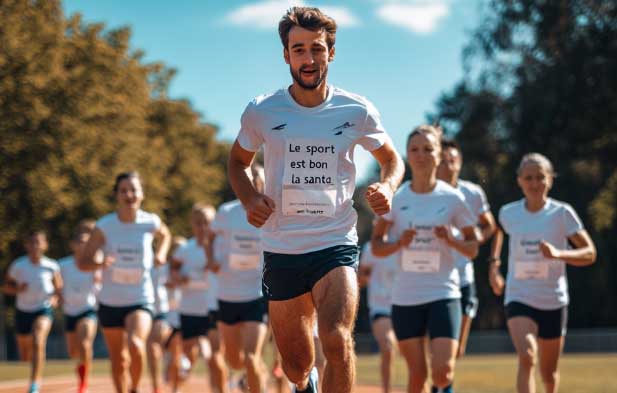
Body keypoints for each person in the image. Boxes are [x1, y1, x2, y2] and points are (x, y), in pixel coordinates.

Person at [227, 6, 404, 392]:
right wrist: (249, 198)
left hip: (335, 241)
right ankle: (302, 384)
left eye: (317, 49)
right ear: (286, 55)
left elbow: (391, 159)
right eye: (299, 49)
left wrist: (387, 187)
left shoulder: (356, 109)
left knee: (337, 340)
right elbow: (238, 162)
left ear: (332, 52)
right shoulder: (262, 110)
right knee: (295, 363)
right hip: (283, 247)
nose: (309, 59)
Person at [372, 125, 479, 393]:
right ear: (407, 155)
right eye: (414, 149)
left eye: (428, 149)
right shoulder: (397, 198)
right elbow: (376, 246)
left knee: (443, 374)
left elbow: (473, 246)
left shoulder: (452, 198)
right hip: (406, 296)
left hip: (444, 292)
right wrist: (399, 243)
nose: (421, 155)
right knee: (417, 376)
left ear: (440, 154)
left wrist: (451, 240)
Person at [488, 153, 596, 393]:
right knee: (527, 357)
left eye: (540, 177)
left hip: (553, 300)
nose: (534, 184)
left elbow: (589, 253)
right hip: (519, 296)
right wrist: (494, 265)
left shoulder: (562, 214)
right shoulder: (509, 213)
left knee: (549, 374)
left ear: (550, 180)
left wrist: (559, 254)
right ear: (519, 181)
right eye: (528, 178)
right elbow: (498, 231)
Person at [78, 172, 171, 393]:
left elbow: (165, 235)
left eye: (134, 190)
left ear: (142, 194)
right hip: (110, 301)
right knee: (119, 359)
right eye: (123, 190)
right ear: (117, 195)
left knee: (137, 345)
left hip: (141, 298)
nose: (129, 194)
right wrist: (99, 264)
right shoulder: (105, 226)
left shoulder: (150, 222)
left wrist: (162, 253)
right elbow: (83, 262)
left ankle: (135, 388)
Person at [208, 164, 269, 393]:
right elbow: (209, 238)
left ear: (264, 182)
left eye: (258, 178)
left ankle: (257, 383)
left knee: (252, 357)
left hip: (256, 295)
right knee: (235, 361)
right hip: (227, 295)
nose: (253, 182)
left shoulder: (271, 212)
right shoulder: (226, 212)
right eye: (250, 177)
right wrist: (211, 259)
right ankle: (252, 374)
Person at [436, 139, 496, 357]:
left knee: (456, 350)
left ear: (460, 163)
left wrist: (472, 241)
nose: (448, 166)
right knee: (434, 348)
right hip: (433, 277)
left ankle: (441, 386)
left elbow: (490, 226)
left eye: (452, 161)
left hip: (463, 274)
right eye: (442, 161)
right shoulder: (424, 194)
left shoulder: (472, 192)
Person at [171, 204, 228, 393]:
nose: (203, 227)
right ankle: (181, 379)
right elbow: (173, 271)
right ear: (192, 225)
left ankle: (220, 389)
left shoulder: (221, 246)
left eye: (207, 223)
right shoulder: (185, 249)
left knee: (214, 356)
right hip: (189, 309)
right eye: (198, 223)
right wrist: (179, 278)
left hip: (214, 307)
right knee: (189, 352)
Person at [3, 230, 63, 393]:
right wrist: (17, 289)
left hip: (43, 309)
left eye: (38, 242)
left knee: (38, 340)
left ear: (45, 245)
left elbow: (59, 290)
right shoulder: (18, 265)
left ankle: (34, 384)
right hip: (23, 311)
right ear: (27, 245)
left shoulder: (52, 266)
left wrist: (54, 300)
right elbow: (6, 287)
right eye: (32, 242)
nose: (35, 245)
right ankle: (31, 361)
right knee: (24, 353)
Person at [59, 221, 101, 393]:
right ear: (73, 245)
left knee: (85, 344)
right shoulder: (62, 265)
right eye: (80, 242)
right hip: (70, 311)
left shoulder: (94, 264)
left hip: (88, 310)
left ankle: (83, 383)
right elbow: (55, 284)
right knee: (73, 352)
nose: (83, 245)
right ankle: (81, 367)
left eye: (87, 242)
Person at [358, 236, 398, 393]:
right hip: (380, 306)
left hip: (406, 304)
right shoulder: (370, 248)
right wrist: (362, 276)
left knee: (416, 356)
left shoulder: (404, 242)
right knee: (388, 348)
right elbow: (362, 279)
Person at [147, 257, 173, 393]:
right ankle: (156, 386)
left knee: (153, 345)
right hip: (143, 310)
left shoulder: (166, 267)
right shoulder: (139, 265)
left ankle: (169, 358)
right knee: (150, 349)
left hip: (162, 312)